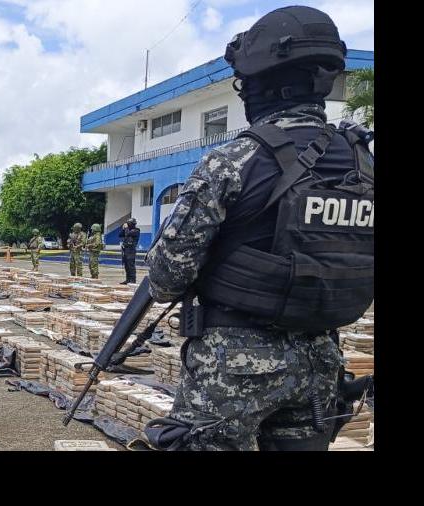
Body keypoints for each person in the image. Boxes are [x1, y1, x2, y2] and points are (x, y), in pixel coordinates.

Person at [142, 6, 374, 451]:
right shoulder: (363, 164)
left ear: (260, 85)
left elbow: (166, 279)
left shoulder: (236, 160)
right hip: (321, 365)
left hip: (233, 370)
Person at [119, 218, 140, 285]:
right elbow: (120, 235)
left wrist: (126, 228)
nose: (128, 224)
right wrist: (123, 229)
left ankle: (133, 280)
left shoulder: (136, 230)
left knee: (131, 265)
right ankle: (128, 280)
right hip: (125, 250)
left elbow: (128, 233)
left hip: (131, 250)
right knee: (126, 265)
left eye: (129, 223)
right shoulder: (127, 230)